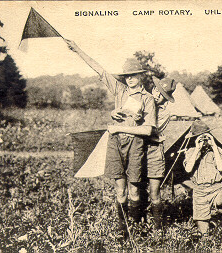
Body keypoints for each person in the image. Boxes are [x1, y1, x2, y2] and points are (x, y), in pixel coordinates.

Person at [66, 40, 156, 238]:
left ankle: (136, 230)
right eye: (126, 76)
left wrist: (118, 126)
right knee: (119, 190)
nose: (130, 79)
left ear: (141, 76)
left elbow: (149, 129)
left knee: (134, 190)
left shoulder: (147, 98)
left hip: (135, 145)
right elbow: (99, 70)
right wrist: (78, 49)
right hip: (116, 144)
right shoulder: (120, 91)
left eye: (133, 75)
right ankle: (123, 232)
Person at [111, 77, 176, 230]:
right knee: (135, 188)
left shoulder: (164, 112)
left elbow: (149, 131)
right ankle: (137, 224)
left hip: (153, 151)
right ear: (152, 89)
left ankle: (158, 228)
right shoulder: (143, 101)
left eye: (162, 95)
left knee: (154, 192)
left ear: (166, 99)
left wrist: (135, 120)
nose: (157, 96)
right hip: (137, 149)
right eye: (156, 91)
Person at [183, 133, 222, 242]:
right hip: (200, 193)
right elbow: (188, 169)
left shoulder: (217, 151)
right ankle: (212, 225)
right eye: (201, 139)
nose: (204, 142)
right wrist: (197, 148)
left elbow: (221, 167)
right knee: (204, 235)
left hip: (217, 189)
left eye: (207, 138)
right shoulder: (191, 152)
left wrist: (213, 146)